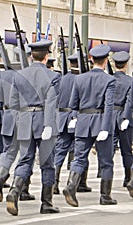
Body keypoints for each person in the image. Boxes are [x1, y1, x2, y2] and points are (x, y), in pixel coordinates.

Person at [6, 40, 60, 216]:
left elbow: (13, 102)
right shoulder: (53, 76)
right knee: (47, 163)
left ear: (31, 56)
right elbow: (51, 103)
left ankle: (14, 192)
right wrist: (48, 125)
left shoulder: (18, 75)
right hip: (43, 120)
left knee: (25, 160)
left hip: (25, 121)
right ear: (47, 56)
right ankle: (46, 202)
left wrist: (19, 121)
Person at [63, 44, 117, 207]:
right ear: (106, 60)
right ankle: (105, 196)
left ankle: (71, 186)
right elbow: (108, 106)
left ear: (91, 59)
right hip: (100, 120)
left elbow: (74, 104)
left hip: (83, 121)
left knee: (79, 158)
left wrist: (74, 118)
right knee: (106, 161)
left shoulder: (79, 78)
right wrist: (105, 128)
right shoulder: (110, 80)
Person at [0, 44, 36, 203]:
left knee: (9, 151)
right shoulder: (29, 74)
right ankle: (23, 189)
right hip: (26, 117)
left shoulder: (4, 75)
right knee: (26, 155)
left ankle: (0, 177)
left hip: (9, 117)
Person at [54, 53, 91, 195]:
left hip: (62, 118)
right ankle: (78, 183)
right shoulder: (83, 80)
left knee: (60, 151)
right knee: (80, 152)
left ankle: (54, 183)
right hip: (78, 118)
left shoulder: (61, 79)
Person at [111, 51, 133, 187]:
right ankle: (128, 179)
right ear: (125, 65)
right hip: (124, 116)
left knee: (109, 150)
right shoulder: (130, 81)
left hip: (110, 116)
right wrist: (126, 117)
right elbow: (130, 102)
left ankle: (105, 178)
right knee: (127, 150)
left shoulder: (109, 79)